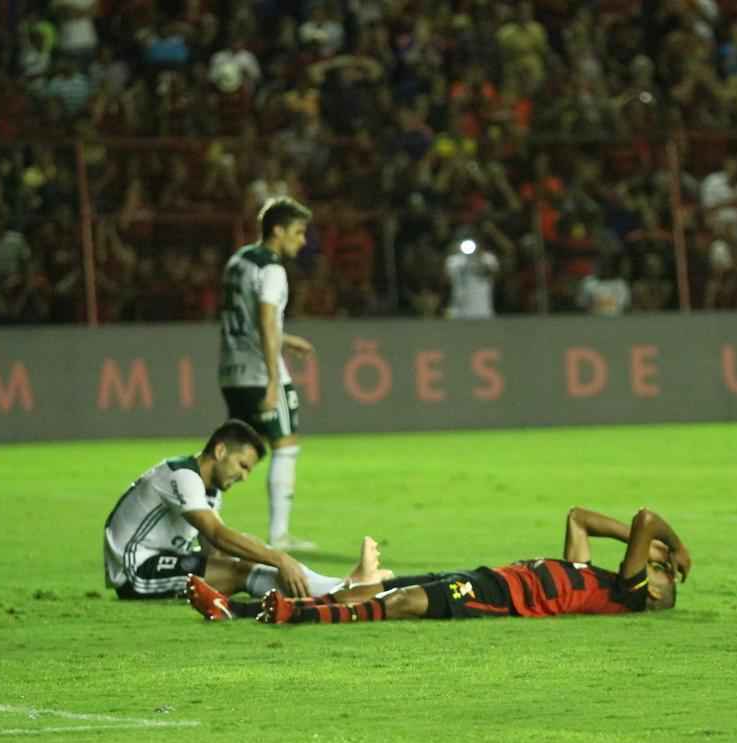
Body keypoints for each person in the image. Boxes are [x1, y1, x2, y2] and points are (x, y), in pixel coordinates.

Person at [185, 507, 692, 625]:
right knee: (375, 586)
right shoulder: (590, 578)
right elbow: (578, 517)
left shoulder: (626, 593)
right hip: (485, 576)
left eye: (661, 571)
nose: (658, 563)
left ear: (651, 588)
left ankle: (292, 615)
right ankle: (237, 607)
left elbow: (645, 518)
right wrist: (647, 547)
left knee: (401, 602)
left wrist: (674, 545)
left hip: (499, 600)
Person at [103, 420, 383, 602]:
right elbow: (218, 535)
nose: (244, 477)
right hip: (135, 572)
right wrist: (280, 559)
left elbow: (216, 547)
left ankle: (344, 584)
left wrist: (261, 555)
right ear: (221, 450)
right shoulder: (183, 477)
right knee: (244, 570)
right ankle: (344, 592)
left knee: (249, 553)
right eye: (242, 465)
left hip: (163, 558)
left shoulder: (208, 487)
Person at [218, 197, 317, 551]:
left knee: (226, 451)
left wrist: (284, 338)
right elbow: (263, 318)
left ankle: (206, 532)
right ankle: (279, 536)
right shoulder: (273, 269)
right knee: (285, 446)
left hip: (231, 371)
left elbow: (244, 318)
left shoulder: (239, 261)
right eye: (298, 232)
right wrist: (275, 379)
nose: (302, 241)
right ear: (277, 230)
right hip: (260, 371)